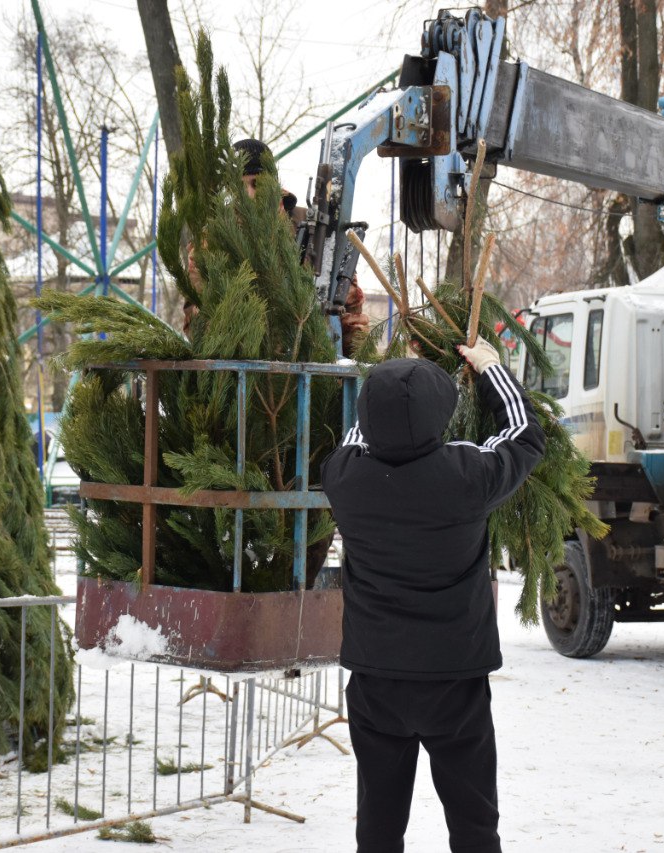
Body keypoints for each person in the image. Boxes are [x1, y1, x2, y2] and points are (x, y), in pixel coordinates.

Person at [320, 340, 546, 853]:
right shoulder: (468, 476)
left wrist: (394, 381)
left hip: (375, 679)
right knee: (473, 825)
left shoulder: (344, 479)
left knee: (377, 828)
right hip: (455, 682)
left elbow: (362, 433)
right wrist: (489, 368)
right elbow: (523, 435)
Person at [183, 139, 371, 352]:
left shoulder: (313, 229)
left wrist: (357, 361)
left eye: (256, 184)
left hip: (312, 366)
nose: (248, 195)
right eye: (238, 186)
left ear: (273, 183)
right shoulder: (212, 239)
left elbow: (350, 315)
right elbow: (195, 328)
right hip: (242, 369)